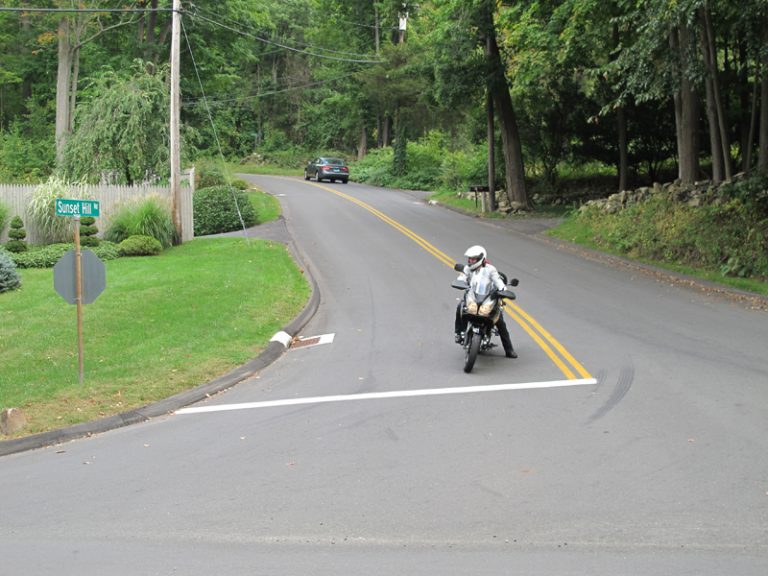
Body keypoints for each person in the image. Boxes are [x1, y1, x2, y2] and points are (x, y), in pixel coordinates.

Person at [454, 245, 517, 358]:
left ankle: (509, 350)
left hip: (487, 298)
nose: (470, 261)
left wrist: (504, 291)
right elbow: (462, 277)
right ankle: (459, 333)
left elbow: (498, 282)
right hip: (473, 297)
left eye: (473, 259)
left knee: (499, 321)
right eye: (469, 258)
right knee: (460, 307)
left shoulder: (490, 269)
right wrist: (459, 282)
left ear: (480, 259)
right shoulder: (468, 269)